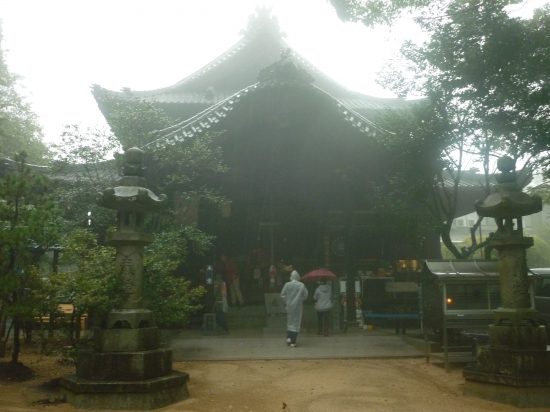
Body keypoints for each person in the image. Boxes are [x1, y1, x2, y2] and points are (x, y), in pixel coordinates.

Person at [280, 270, 308, 347]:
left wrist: (287, 300)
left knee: (289, 321)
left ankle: (288, 337)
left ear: (291, 277)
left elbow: (282, 295)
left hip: (289, 306)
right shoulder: (301, 285)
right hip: (298, 307)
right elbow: (305, 295)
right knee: (296, 323)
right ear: (298, 276)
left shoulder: (287, 285)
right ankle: (293, 342)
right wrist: (300, 300)